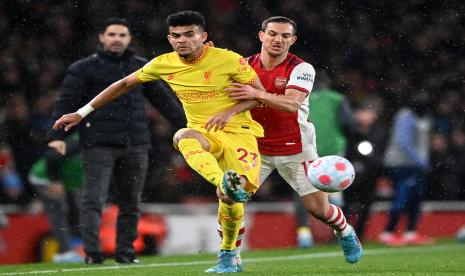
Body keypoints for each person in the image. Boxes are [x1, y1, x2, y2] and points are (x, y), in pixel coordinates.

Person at [53, 11, 267, 273]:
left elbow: (261, 96)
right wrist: (81, 112)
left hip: (239, 133)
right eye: (176, 36)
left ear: (203, 36)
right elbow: (122, 84)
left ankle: (229, 252)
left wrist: (229, 111)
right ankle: (222, 180)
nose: (182, 41)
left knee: (230, 199)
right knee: (182, 136)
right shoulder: (163, 63)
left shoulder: (229, 59)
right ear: (169, 38)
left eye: (189, 35)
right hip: (204, 132)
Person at [48, 18, 186, 265]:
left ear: (129, 39)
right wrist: (57, 137)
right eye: (111, 34)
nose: (116, 39)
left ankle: (126, 253)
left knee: (131, 200)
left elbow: (164, 102)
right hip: (98, 143)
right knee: (94, 199)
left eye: (122, 35)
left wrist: (190, 126)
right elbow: (66, 103)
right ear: (101, 37)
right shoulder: (84, 68)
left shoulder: (142, 67)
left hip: (136, 143)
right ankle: (92, 253)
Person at [225, 16, 362, 264]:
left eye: (285, 36)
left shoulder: (301, 68)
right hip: (254, 148)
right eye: (273, 33)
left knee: (318, 210)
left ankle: (345, 231)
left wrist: (255, 93)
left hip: (296, 148)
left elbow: (291, 104)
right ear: (261, 35)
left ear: (293, 40)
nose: (278, 39)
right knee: (230, 197)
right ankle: (229, 257)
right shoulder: (243, 66)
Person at [379, 91, 435, 246]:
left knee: (417, 198)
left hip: (416, 165)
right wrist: (421, 161)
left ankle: (411, 232)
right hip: (402, 164)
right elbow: (403, 143)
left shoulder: (423, 117)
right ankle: (387, 232)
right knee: (402, 197)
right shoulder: (405, 116)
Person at [29, 134, 83, 263]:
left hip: (67, 183)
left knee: (75, 213)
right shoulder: (80, 141)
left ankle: (66, 250)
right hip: (45, 179)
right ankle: (65, 252)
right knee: (58, 213)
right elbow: (52, 156)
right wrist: (55, 181)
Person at [343, 97, 388, 241]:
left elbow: (379, 156)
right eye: (361, 112)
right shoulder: (350, 131)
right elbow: (347, 152)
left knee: (366, 206)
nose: (362, 116)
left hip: (370, 175)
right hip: (350, 175)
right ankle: (344, 233)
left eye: (367, 113)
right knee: (346, 205)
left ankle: (359, 235)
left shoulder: (380, 132)